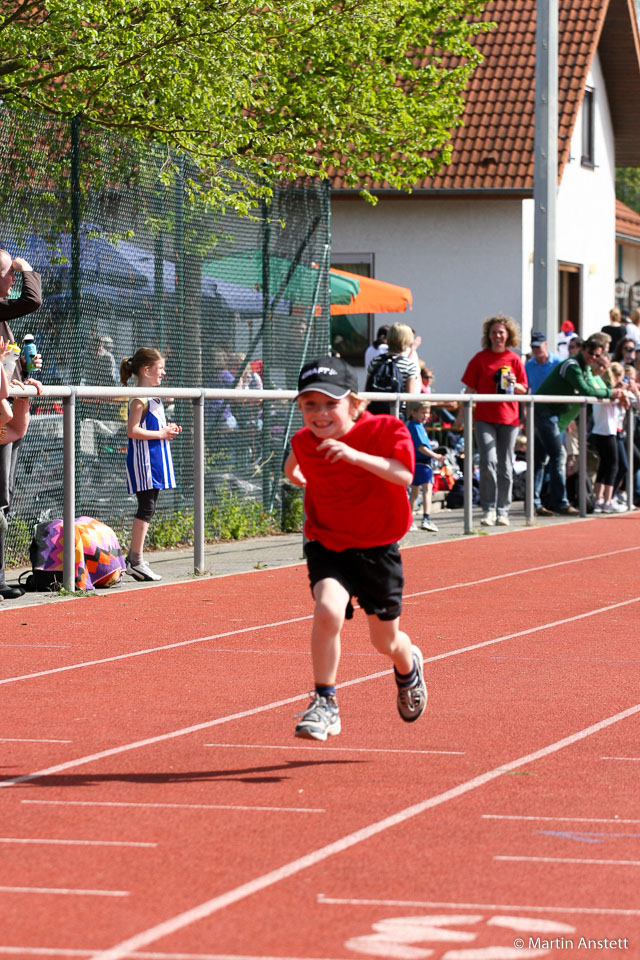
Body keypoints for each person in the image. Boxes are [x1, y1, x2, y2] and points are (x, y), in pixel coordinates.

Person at [284, 355, 427, 741]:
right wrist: (303, 481)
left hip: (377, 549)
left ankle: (408, 663)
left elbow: (404, 473)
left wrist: (354, 456)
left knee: (385, 642)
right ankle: (325, 702)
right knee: (328, 609)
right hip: (328, 542)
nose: (320, 413)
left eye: (331, 403)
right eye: (310, 404)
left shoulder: (386, 429)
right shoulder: (304, 441)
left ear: (356, 404)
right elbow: (293, 469)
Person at [533, 333, 626, 517]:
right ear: (583, 349)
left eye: (597, 355)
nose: (593, 357)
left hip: (556, 416)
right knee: (557, 455)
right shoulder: (572, 366)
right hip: (546, 413)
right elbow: (586, 390)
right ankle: (559, 503)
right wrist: (611, 392)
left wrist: (610, 390)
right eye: (591, 353)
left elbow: (592, 387)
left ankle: (538, 502)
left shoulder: (585, 369)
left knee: (541, 459)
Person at [457, 314, 528, 526]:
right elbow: (469, 389)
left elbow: (524, 390)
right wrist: (461, 415)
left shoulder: (514, 359)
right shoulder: (480, 358)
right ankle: (488, 509)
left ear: (508, 335)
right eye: (494, 332)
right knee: (488, 461)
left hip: (509, 417)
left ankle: (503, 510)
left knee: (505, 465)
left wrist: (515, 384)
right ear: (489, 335)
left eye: (501, 332)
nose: (498, 336)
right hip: (484, 417)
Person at [0, 251, 42, 600]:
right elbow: (33, 298)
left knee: (5, 497)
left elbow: (8, 361)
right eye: (8, 272)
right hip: (0, 417)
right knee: (0, 498)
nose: (13, 278)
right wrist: (24, 265)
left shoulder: (4, 316)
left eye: (15, 272)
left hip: (8, 413)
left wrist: (26, 376)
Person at [120, 347, 182, 582]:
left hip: (156, 459)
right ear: (146, 370)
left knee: (150, 507)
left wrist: (169, 430)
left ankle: (135, 559)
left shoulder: (153, 395)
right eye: (160, 368)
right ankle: (135, 560)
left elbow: (153, 426)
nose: (163, 373)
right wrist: (161, 433)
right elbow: (132, 430)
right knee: (146, 508)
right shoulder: (139, 397)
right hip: (144, 461)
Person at [590, 360, 628, 514]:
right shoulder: (603, 389)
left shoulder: (602, 388)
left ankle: (599, 499)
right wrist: (620, 391)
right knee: (613, 465)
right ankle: (607, 500)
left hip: (601, 430)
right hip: (607, 430)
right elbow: (615, 398)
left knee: (605, 465)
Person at [405, 400, 447, 532]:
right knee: (427, 490)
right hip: (423, 463)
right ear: (413, 412)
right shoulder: (416, 427)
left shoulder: (414, 425)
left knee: (415, 492)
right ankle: (426, 519)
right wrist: (436, 456)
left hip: (415, 463)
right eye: (423, 412)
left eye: (427, 413)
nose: (426, 415)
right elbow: (421, 447)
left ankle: (410, 520)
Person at [365, 321, 420, 415]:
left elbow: (367, 389)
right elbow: (410, 398)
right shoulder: (409, 365)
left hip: (376, 414)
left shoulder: (376, 361)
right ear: (407, 341)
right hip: (397, 414)